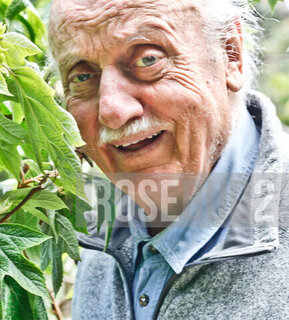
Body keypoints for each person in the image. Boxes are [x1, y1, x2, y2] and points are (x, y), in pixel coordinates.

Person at [48, 0, 289, 319]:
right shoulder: (98, 229)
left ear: (230, 55)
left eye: (148, 59)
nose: (112, 112)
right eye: (82, 77)